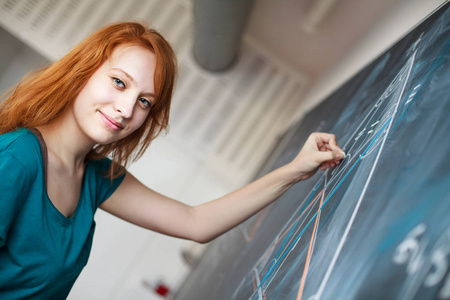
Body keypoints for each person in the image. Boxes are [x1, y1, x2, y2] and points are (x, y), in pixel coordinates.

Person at [0, 22, 344, 299]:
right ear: (82, 71)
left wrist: (297, 169)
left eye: (144, 102)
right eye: (119, 83)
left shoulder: (97, 176)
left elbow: (195, 223)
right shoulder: (14, 159)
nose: (126, 110)